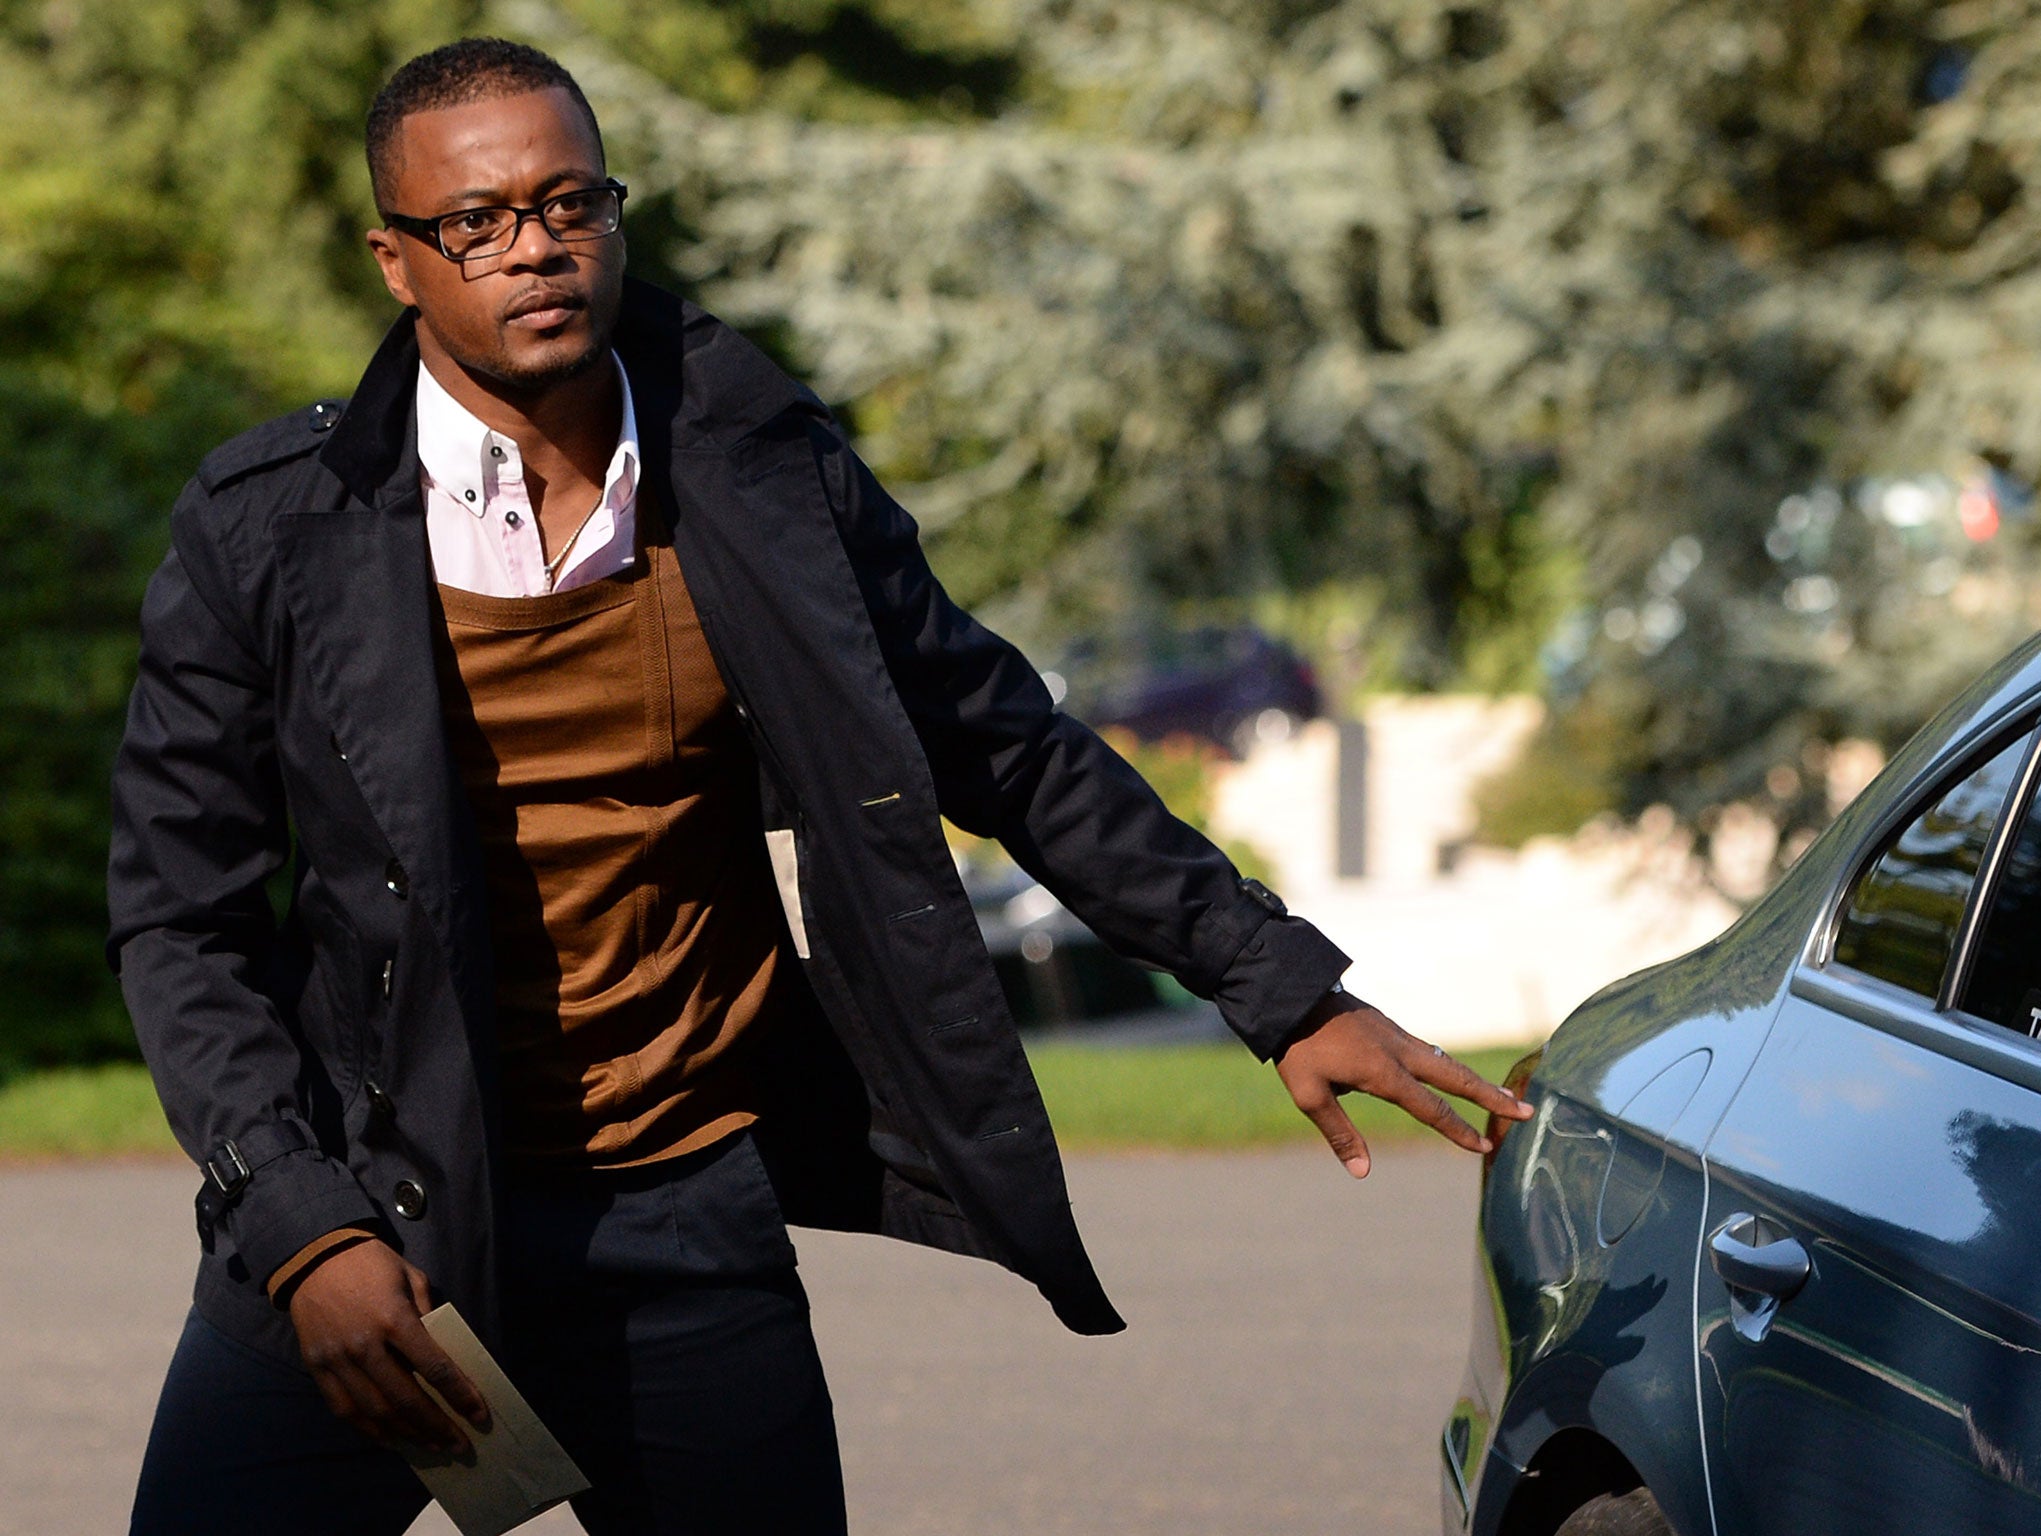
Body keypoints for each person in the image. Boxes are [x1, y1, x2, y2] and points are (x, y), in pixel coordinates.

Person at [107, 36, 1532, 1536]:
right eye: (477, 222)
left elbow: (1003, 744)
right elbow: (178, 921)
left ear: (613, 215)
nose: (535, 249)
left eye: (569, 202)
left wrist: (1282, 991)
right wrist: (293, 1222)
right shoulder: (270, 532)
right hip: (370, 1214)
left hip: (678, 1213)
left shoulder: (758, 471)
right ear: (399, 261)